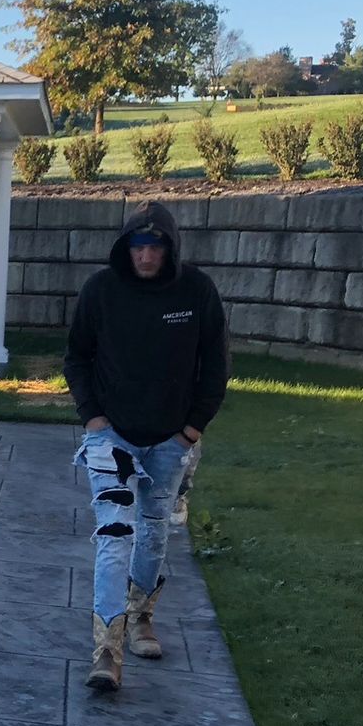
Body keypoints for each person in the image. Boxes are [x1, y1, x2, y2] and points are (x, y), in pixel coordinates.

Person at [63, 202, 229, 692]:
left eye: (156, 246)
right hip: (111, 436)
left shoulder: (197, 291)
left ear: (170, 248)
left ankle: (141, 619)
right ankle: (107, 650)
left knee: (154, 535)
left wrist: (192, 429)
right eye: (138, 245)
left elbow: (215, 366)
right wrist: (92, 418)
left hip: (171, 439)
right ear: (125, 246)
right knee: (115, 535)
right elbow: (77, 357)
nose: (147, 255)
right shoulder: (100, 290)